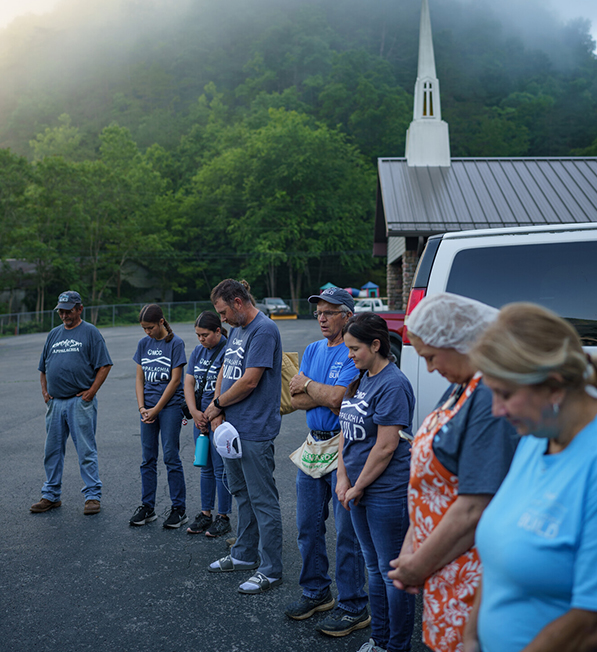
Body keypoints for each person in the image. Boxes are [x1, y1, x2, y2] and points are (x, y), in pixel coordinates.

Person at [388, 293, 518, 652]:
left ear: (459, 342)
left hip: (470, 566)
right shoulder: (460, 386)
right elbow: (431, 486)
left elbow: (475, 505)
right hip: (441, 561)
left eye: (431, 356)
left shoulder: (489, 394)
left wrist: (419, 565)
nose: (428, 368)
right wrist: (413, 551)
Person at [463, 303, 597, 652]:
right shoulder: (537, 437)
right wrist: (471, 637)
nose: (496, 410)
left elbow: (587, 623)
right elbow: (497, 563)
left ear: (553, 386)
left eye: (505, 394)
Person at [284, 287, 369, 637]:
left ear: (347, 315)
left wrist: (310, 387)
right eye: (319, 311)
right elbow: (297, 399)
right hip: (312, 446)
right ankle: (317, 592)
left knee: (347, 533)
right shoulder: (313, 350)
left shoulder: (352, 352)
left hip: (343, 447)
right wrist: (318, 392)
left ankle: (353, 605)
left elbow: (340, 398)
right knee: (307, 525)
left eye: (330, 311)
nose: (321, 317)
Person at [337, 312, 415, 652]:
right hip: (357, 489)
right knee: (373, 568)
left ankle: (397, 646)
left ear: (376, 344)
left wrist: (358, 485)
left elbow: (385, 447)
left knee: (391, 573)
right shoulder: (363, 377)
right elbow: (347, 434)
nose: (350, 355)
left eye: (355, 348)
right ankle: (379, 639)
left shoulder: (393, 384)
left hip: (385, 492)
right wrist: (342, 477)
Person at [204, 279, 283, 595]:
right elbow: (227, 367)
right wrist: (216, 406)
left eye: (223, 312)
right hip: (230, 428)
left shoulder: (264, 330)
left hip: (254, 430)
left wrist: (218, 405)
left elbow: (250, 381)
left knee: (263, 500)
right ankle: (244, 555)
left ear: (238, 302)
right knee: (241, 494)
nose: (220, 319)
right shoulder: (236, 329)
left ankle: (271, 569)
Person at [32, 290, 113, 516]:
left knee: (86, 450)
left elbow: (104, 365)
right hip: (55, 403)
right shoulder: (53, 335)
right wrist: (45, 392)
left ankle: (92, 496)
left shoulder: (90, 332)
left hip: (79, 402)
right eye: (61, 311)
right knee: (52, 451)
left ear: (79, 309)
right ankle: (50, 495)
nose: (64, 314)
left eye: (69, 310)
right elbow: (43, 367)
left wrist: (91, 391)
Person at [129, 304, 188, 529]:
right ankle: (148, 507)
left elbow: (175, 381)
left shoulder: (176, 343)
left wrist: (156, 409)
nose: (147, 332)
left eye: (150, 327)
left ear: (161, 322)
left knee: (171, 456)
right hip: (148, 409)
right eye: (144, 328)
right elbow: (139, 379)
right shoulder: (143, 344)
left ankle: (178, 509)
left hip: (169, 407)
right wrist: (142, 407)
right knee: (148, 458)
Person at [184, 311, 232, 538]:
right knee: (205, 466)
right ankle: (205, 513)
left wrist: (213, 414)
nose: (201, 339)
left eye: (205, 335)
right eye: (198, 335)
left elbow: (225, 387)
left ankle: (223, 517)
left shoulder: (228, 349)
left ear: (217, 331)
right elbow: (189, 381)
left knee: (221, 468)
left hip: (220, 418)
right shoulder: (197, 351)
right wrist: (194, 412)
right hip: (200, 418)